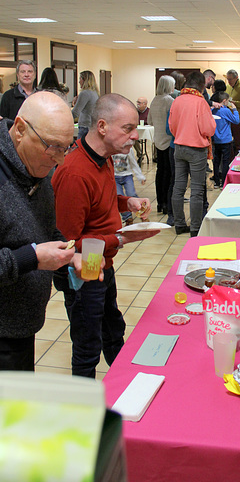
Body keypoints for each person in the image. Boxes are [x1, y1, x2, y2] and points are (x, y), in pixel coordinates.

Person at [52, 94, 158, 378]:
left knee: (112, 328)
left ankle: (125, 386)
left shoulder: (103, 157)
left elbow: (100, 203)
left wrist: (127, 203)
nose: (135, 136)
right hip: (83, 268)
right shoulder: (75, 172)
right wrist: (121, 239)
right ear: (101, 126)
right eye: (127, 129)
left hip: (102, 262)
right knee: (88, 344)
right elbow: (66, 245)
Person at [0, 92, 83, 371]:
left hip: (21, 326)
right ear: (20, 129)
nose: (59, 160)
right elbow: (30, 251)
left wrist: (69, 255)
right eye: (53, 147)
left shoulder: (35, 167)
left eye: (66, 148)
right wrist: (32, 258)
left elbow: (43, 228)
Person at [169, 71, 216, 236]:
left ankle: (179, 224)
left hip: (179, 147)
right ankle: (195, 228)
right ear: (201, 86)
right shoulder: (200, 102)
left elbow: (172, 127)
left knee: (178, 186)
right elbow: (208, 129)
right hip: (196, 149)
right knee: (197, 189)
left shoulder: (177, 100)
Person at [148, 75, 175, 214]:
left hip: (157, 140)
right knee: (169, 172)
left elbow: (150, 121)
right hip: (168, 140)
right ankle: (166, 203)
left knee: (160, 171)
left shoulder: (154, 100)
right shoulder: (169, 101)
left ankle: (160, 202)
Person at [212, 92, 240, 188]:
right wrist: (235, 109)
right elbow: (236, 120)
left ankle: (216, 181)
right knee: (225, 161)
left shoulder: (213, 110)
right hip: (226, 140)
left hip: (216, 139)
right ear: (224, 101)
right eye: (228, 101)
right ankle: (224, 181)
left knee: (216, 160)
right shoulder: (226, 111)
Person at [113, 151, 146, 226]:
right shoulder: (110, 148)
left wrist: (140, 176)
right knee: (119, 197)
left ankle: (142, 213)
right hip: (114, 177)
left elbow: (133, 162)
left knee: (131, 194)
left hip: (127, 176)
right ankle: (128, 218)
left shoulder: (127, 148)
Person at [72, 70, 99, 140]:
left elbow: (75, 112)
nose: (79, 82)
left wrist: (65, 120)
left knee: (79, 148)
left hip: (85, 126)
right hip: (91, 125)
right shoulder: (94, 93)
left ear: (84, 80)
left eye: (80, 79)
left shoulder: (85, 93)